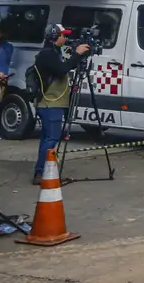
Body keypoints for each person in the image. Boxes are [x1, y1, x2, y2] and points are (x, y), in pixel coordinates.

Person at [32, 24, 92, 185]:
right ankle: (43, 173)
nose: (65, 38)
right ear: (53, 37)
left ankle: (45, 171)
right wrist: (77, 54)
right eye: (62, 36)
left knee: (48, 139)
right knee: (51, 138)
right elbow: (62, 69)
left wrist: (77, 55)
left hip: (54, 102)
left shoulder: (55, 52)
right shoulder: (47, 55)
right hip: (50, 103)